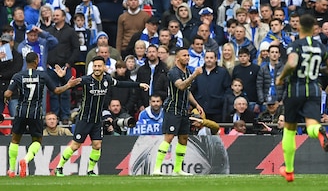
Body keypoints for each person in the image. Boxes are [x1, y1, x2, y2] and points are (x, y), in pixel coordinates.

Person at [54, 56, 149, 176]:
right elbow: (61, 89)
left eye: (99, 66)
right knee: (75, 145)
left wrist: (139, 85)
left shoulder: (107, 79)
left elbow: (121, 84)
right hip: (84, 118)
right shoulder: (85, 80)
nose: (97, 68)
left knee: (97, 145)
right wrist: (65, 82)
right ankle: (59, 167)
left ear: (104, 67)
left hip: (97, 119)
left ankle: (90, 170)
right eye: (95, 66)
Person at [275, 14, 328, 182]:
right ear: (314, 29)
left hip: (295, 89)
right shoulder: (320, 47)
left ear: (299, 28)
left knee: (289, 130)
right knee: (312, 124)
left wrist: (281, 77)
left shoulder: (295, 45)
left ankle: (289, 171)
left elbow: (292, 63)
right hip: (313, 89)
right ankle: (318, 132)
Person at [4, 52, 80, 178]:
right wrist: (68, 85)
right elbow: (56, 91)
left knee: (15, 140)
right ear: (36, 61)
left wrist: (7, 97)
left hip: (21, 111)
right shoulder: (42, 75)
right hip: (36, 112)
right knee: (37, 141)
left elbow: (7, 93)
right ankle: (26, 160)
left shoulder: (18, 76)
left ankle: (11, 170)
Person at [152, 47, 204, 176]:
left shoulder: (187, 71)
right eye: (184, 55)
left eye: (188, 55)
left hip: (183, 110)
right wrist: (195, 75)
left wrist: (196, 104)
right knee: (169, 137)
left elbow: (187, 91)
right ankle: (157, 168)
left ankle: (178, 169)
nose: (187, 57)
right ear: (178, 58)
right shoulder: (174, 72)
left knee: (184, 138)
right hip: (172, 108)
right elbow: (181, 86)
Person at [191, 50, 231, 123]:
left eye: (211, 58)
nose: (209, 60)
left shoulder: (223, 72)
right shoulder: (198, 72)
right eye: (207, 57)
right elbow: (193, 89)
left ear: (216, 59)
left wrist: (222, 100)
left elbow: (228, 89)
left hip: (217, 111)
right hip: (200, 110)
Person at [0, 33, 22, 117]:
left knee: (16, 117)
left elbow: (15, 72)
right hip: (0, 90)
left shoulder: (17, 56)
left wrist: (1, 75)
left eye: (7, 42)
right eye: (3, 43)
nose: (5, 45)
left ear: (12, 43)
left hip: (13, 90)